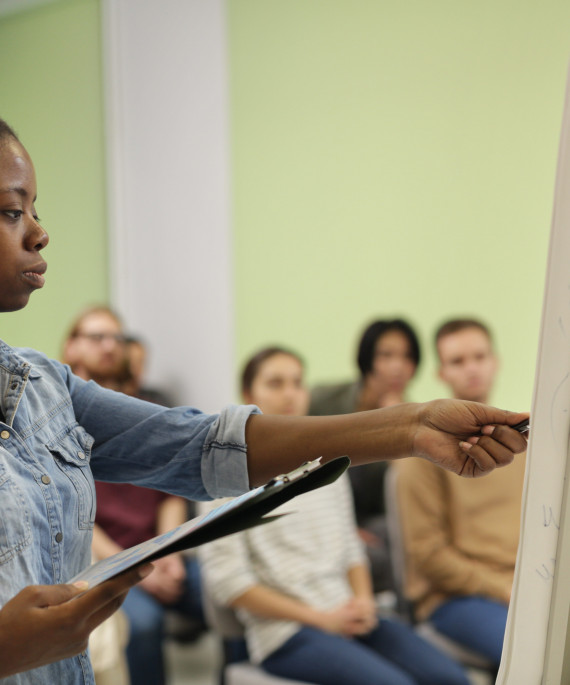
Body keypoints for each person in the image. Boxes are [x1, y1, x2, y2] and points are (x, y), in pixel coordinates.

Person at [0, 118, 528, 683]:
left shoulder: (42, 386)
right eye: (12, 211)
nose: (39, 232)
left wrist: (414, 427)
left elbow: (203, 448)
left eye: (36, 210)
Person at [199, 346, 471, 685]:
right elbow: (230, 584)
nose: (290, 394)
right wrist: (321, 619)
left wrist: (363, 602)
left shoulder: (326, 466)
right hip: (287, 633)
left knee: (452, 678)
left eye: (297, 383)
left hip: (349, 616)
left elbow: (350, 549)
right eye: (275, 383)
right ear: (248, 394)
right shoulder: (225, 480)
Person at [63, 307, 205, 685]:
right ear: (71, 347)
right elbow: (72, 513)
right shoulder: (56, 419)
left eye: (118, 338)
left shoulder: (147, 407)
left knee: (226, 595)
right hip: (104, 562)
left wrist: (167, 552)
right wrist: (135, 565)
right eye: (97, 337)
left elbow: (170, 490)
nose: (110, 346)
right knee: (143, 626)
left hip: (160, 551)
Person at [394, 318, 527, 667]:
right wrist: (505, 590)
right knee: (532, 654)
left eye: (479, 357)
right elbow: (429, 555)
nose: (472, 369)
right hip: (455, 599)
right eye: (458, 361)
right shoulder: (420, 454)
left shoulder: (521, 444)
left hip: (524, 586)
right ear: (441, 373)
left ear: (494, 362)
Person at [310, 319, 420, 593]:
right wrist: (346, 530)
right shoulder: (325, 400)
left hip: (374, 521)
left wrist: (399, 426)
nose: (398, 366)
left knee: (399, 536)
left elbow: (403, 495)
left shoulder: (416, 418)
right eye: (386, 355)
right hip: (323, 515)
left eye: (407, 356)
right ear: (367, 359)